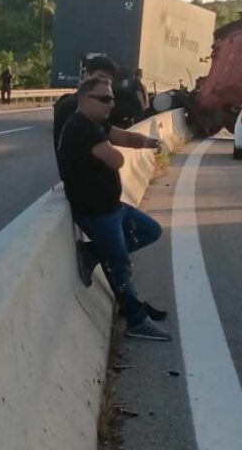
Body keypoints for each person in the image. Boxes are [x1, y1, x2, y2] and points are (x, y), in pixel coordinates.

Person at [57, 76, 171, 342]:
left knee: (150, 230)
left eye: (112, 98)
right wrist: (112, 148)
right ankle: (135, 318)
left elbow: (125, 139)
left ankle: (92, 252)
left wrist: (150, 143)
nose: (112, 104)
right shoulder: (81, 128)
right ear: (85, 99)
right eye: (105, 99)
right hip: (95, 212)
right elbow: (117, 160)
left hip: (112, 207)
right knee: (120, 265)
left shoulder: (95, 125)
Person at [53, 53, 118, 158]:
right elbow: (115, 159)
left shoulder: (85, 104)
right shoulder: (74, 106)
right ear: (86, 75)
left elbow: (114, 133)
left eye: (107, 82)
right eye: (99, 77)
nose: (101, 83)